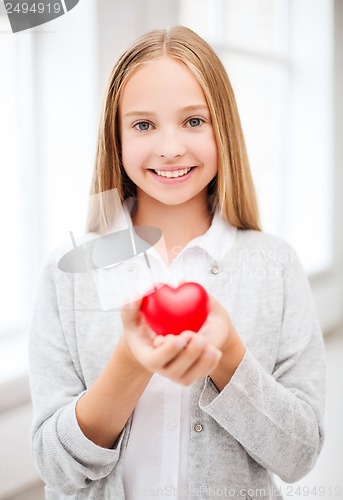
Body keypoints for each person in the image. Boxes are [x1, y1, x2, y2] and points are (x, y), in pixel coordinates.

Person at [29, 26, 326, 500]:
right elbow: (56, 467)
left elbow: (299, 454)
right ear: (117, 137)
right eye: (144, 125)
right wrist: (128, 363)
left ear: (223, 127)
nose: (170, 147)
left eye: (193, 121)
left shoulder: (276, 267)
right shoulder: (69, 274)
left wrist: (230, 356)